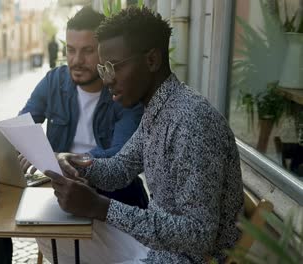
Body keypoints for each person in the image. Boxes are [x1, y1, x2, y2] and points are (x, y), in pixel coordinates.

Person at [45, 6, 244, 263]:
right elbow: (119, 169)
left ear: (151, 60)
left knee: (65, 241)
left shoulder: (191, 121)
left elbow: (198, 235)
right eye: (103, 68)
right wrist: (77, 165)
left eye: (113, 67)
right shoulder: (158, 109)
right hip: (160, 247)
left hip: (185, 258)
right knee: (53, 232)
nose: (107, 80)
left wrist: (100, 207)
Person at [0, 6, 148, 264]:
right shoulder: (54, 81)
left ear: (105, 52)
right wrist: (11, 147)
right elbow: (22, 124)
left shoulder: (124, 91)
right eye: (70, 49)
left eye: (87, 51)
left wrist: (64, 159)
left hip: (113, 197)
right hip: (56, 191)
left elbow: (120, 157)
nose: (76, 60)